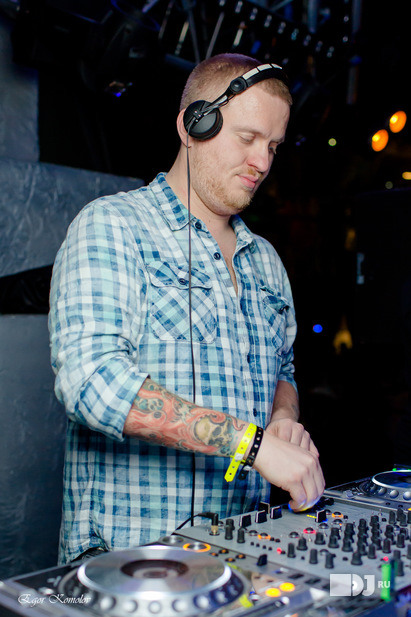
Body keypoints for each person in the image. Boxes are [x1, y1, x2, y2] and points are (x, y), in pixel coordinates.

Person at [49, 53, 325, 564]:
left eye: (272, 146)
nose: (262, 162)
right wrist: (251, 444)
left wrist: (283, 418)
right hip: (131, 561)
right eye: (247, 138)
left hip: (244, 558)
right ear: (194, 124)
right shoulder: (114, 226)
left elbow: (283, 370)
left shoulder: (266, 260)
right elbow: (90, 381)